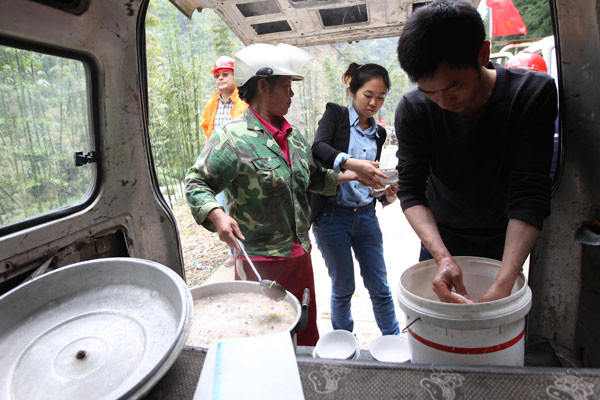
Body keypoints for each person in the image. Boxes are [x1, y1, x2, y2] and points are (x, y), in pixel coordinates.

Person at [185, 43, 358, 346]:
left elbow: (315, 179)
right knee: (260, 338)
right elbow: (196, 183)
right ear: (263, 86)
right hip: (259, 262)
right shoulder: (232, 138)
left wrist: (357, 175)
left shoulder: (294, 136)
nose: (292, 95)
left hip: (299, 255)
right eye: (287, 87)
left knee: (303, 331)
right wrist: (217, 214)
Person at [394, 0, 558, 303]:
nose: (443, 102)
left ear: (483, 54)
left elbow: (530, 191)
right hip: (440, 236)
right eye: (430, 93)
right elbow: (411, 190)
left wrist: (504, 281)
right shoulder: (414, 108)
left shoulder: (530, 95)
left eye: (453, 87)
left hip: (509, 235)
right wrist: (442, 257)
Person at [310, 62, 400, 335]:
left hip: (365, 216)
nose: (374, 103)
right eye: (368, 95)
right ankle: (343, 342)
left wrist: (385, 193)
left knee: (380, 287)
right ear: (353, 91)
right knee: (343, 287)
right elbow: (319, 149)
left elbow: (368, 178)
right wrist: (352, 164)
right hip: (331, 217)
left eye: (381, 97)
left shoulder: (379, 132)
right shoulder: (335, 115)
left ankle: (393, 339)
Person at [200, 56, 248, 266]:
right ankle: (235, 252)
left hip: (241, 163)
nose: (220, 78)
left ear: (234, 76)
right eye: (217, 75)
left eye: (225, 74)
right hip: (219, 164)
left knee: (241, 208)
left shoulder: (244, 100)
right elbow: (206, 127)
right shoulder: (213, 102)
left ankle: (248, 252)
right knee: (222, 209)